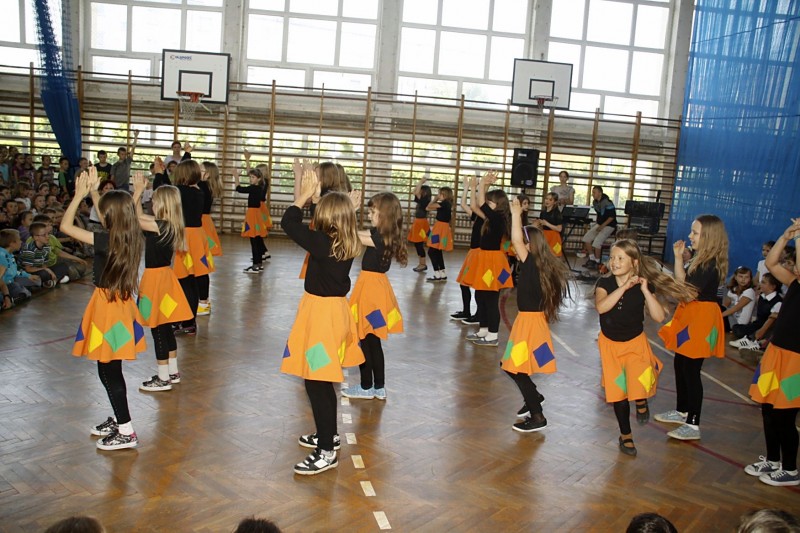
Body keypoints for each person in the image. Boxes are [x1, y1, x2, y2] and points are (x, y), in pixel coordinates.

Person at [280, 167, 364, 475]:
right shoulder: (345, 237)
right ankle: (327, 434)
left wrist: (304, 194)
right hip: (330, 313)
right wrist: (331, 203)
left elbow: (288, 222)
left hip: (322, 318)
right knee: (321, 379)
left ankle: (326, 451)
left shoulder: (323, 243)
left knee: (316, 382)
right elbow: (332, 220)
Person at [61, 167, 146, 451]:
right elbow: (117, 213)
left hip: (108, 309)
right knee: (110, 368)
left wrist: (78, 196)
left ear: (110, 217)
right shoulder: (129, 235)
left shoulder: (105, 240)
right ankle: (120, 419)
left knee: (108, 370)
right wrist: (96, 192)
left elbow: (66, 227)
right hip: (118, 306)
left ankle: (126, 430)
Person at [595, 239, 697, 455]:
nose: (614, 262)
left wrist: (645, 290)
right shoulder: (605, 283)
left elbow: (659, 316)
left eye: (620, 258)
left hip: (635, 343)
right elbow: (602, 308)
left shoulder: (644, 285)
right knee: (619, 393)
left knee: (640, 378)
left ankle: (641, 400)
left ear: (634, 262)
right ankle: (626, 436)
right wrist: (623, 287)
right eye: (612, 258)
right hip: (610, 347)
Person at [655, 214, 728, 441]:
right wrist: (678, 259)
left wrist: (662, 281)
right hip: (691, 314)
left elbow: (685, 292)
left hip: (701, 318)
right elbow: (684, 283)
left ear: (709, 237)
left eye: (695, 232)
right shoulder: (699, 259)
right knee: (680, 363)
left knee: (691, 370)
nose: (690, 236)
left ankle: (693, 424)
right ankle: (682, 410)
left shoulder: (708, 265)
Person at [503, 198, 569, 432]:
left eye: (523, 242)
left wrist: (515, 214)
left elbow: (515, 240)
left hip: (530, 324)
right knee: (510, 365)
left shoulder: (531, 263)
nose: (518, 246)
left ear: (530, 246)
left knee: (515, 368)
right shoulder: (541, 265)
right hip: (531, 322)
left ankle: (538, 415)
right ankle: (535, 396)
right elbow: (518, 241)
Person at [744, 220, 800, 487]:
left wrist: (799, 237)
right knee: (767, 408)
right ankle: (773, 459)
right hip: (776, 354)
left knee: (784, 415)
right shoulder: (794, 283)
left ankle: (790, 469)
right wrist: (786, 236)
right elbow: (771, 263)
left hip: (796, 362)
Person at [132, 173, 194, 392]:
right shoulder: (167, 224)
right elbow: (139, 215)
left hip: (156, 280)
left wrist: (137, 192)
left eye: (155, 200)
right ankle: (172, 372)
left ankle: (163, 378)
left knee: (158, 329)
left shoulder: (160, 225)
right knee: (165, 328)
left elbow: (129, 217)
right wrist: (139, 195)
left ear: (163, 204)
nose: (152, 203)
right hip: (164, 278)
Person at [342, 192, 406, 400]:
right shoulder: (382, 234)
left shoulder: (379, 238)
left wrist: (348, 211)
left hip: (371, 293)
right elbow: (355, 233)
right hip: (373, 290)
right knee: (372, 341)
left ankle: (366, 386)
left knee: (365, 339)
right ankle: (378, 387)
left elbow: (351, 233)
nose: (369, 215)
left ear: (384, 214)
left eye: (372, 212)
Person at [464, 171, 512, 346]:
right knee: (481, 296)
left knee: (491, 299)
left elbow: (481, 203)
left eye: (491, 201)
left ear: (498, 205)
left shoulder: (498, 218)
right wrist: (477, 187)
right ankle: (483, 330)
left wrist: (483, 183)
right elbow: (475, 205)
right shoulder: (491, 218)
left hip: (492, 261)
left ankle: (493, 335)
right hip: (484, 259)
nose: (487, 203)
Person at [172, 159, 214, 335]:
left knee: (185, 280)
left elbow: (165, 189)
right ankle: (188, 320)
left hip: (186, 237)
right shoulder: (198, 191)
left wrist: (159, 174)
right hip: (196, 235)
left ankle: (188, 320)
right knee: (190, 280)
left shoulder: (179, 191)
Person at [451, 176, 484, 322]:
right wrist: (466, 187)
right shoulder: (476, 216)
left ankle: (479, 314)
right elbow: (463, 204)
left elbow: (472, 205)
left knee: (478, 286)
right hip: (472, 253)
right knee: (464, 283)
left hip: (480, 253)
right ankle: (466, 311)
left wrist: (476, 187)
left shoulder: (486, 217)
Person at [729, 273, 782, 350]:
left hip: (766, 328)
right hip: (757, 324)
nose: (760, 284)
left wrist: (761, 331)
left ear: (773, 286)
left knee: (758, 333)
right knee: (736, 328)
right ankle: (750, 338)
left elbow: (771, 321)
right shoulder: (761, 296)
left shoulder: (778, 302)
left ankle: (752, 341)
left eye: (763, 282)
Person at [238, 167, 268, 273]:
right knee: (257, 239)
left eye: (253, 177)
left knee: (254, 240)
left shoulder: (254, 188)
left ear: (258, 179)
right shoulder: (259, 187)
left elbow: (239, 189)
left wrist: (236, 177)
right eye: (250, 177)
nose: (251, 179)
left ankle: (255, 265)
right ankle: (259, 264)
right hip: (256, 214)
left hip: (252, 215)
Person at [0, 228, 41, 303]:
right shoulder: (2, 256)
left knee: (37, 282)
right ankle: (10, 298)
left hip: (13, 281)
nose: (21, 242)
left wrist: (28, 276)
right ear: (11, 243)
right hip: (7, 285)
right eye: (19, 240)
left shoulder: (10, 254)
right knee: (21, 290)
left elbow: (14, 271)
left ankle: (20, 292)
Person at [581, 186, 617, 269]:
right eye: (592, 192)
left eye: (594, 192)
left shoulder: (608, 202)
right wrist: (597, 224)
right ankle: (592, 259)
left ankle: (597, 262)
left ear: (600, 193)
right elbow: (599, 214)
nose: (592, 194)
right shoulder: (595, 202)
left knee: (597, 242)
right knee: (586, 238)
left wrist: (602, 226)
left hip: (609, 225)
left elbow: (612, 217)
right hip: (600, 224)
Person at [425, 184, 454, 282]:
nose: (438, 195)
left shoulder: (444, 203)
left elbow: (428, 207)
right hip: (442, 228)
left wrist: (434, 199)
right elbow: (428, 208)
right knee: (437, 251)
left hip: (439, 229)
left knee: (431, 251)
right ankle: (442, 273)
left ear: (443, 195)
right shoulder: (446, 203)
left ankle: (437, 274)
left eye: (439, 194)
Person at [408, 176, 432, 272]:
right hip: (418, 223)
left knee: (419, 244)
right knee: (418, 244)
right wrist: (420, 183)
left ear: (424, 192)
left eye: (421, 190)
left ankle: (422, 264)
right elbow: (415, 191)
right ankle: (421, 263)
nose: (419, 191)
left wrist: (421, 182)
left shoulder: (425, 200)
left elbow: (416, 192)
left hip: (421, 224)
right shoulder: (422, 199)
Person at [722, 266, 756, 332]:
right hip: (732, 320)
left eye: (746, 277)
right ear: (735, 277)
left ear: (750, 279)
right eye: (741, 276)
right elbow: (725, 305)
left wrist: (719, 316)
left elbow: (736, 308)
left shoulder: (750, 292)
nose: (743, 279)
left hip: (741, 325)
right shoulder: (733, 289)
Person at [533, 191, 563, 257]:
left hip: (554, 237)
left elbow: (559, 229)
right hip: (544, 235)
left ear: (555, 202)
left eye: (550, 200)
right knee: (543, 255)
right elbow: (541, 226)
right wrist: (537, 222)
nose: (547, 201)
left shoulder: (557, 213)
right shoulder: (543, 212)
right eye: (546, 199)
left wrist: (547, 224)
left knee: (553, 256)